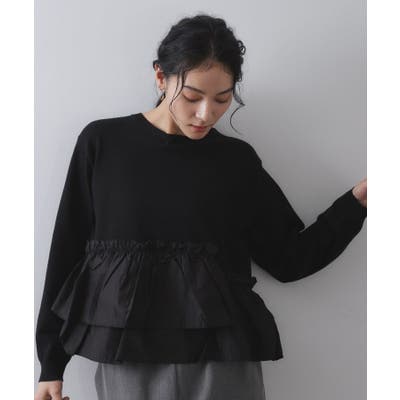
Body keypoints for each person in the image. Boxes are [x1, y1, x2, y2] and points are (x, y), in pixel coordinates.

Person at [34, 13, 367, 400]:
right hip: (127, 359)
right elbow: (67, 252)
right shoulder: (103, 143)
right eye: (192, 97)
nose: (206, 113)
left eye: (222, 99)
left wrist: (357, 203)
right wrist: (51, 365)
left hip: (222, 361)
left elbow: (289, 259)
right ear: (161, 77)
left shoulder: (236, 161)